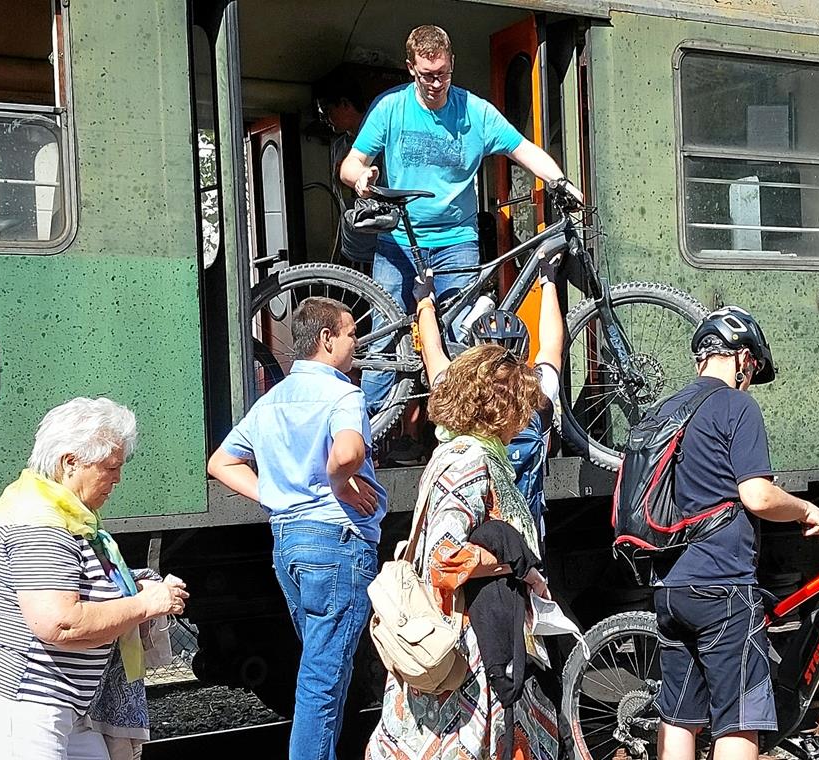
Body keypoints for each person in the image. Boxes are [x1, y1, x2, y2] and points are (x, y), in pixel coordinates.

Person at [338, 24, 580, 449]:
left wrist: (561, 180)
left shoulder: (476, 113)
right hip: (398, 240)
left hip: (456, 241)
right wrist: (362, 179)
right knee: (385, 342)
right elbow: (350, 164)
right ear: (411, 67)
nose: (435, 84)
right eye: (427, 75)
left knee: (461, 339)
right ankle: (369, 439)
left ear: (452, 66)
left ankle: (460, 436)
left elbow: (521, 148)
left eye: (443, 74)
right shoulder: (390, 109)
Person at [206, 296, 387, 760]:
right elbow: (347, 453)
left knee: (319, 665)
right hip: (336, 542)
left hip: (288, 542)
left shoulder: (272, 400)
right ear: (327, 341)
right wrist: (340, 483)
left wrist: (274, 495)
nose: (356, 342)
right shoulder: (344, 394)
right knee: (322, 679)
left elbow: (222, 462)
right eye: (351, 334)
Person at [651, 307, 819, 760]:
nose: (750, 379)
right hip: (721, 584)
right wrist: (808, 510)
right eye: (753, 369)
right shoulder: (737, 406)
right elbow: (758, 496)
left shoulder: (667, 410)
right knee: (738, 718)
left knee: (679, 718)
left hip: (670, 585)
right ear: (744, 359)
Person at [367, 343, 558, 760]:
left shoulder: (456, 453)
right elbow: (444, 557)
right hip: (468, 642)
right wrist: (517, 565)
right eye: (521, 406)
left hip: (475, 629)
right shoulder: (470, 461)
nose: (525, 418)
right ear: (499, 407)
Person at [0, 397, 189, 760]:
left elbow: (80, 589)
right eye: (110, 467)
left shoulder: (70, 513)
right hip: (28, 704)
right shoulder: (38, 522)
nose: (118, 478)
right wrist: (143, 604)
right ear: (70, 462)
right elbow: (60, 623)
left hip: (67, 705)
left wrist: (140, 589)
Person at [414, 245, 564, 537]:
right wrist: (548, 281)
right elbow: (552, 346)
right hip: (524, 549)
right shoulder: (538, 397)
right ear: (521, 353)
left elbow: (432, 350)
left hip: (473, 552)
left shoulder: (453, 400)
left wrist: (425, 302)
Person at [314, 69, 377, 266]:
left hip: (379, 245)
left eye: (327, 111)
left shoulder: (381, 141)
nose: (325, 119)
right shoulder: (338, 145)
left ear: (345, 104)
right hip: (350, 245)